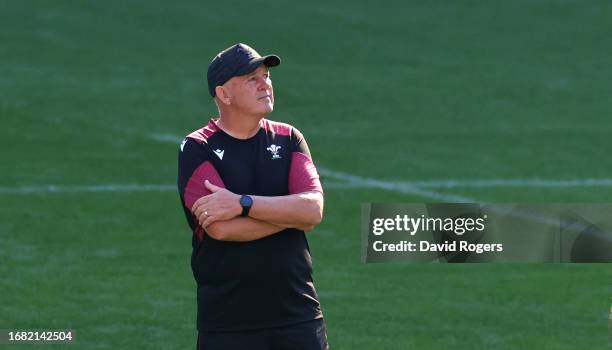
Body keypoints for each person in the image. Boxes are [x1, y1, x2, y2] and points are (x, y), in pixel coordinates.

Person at [177, 43, 329, 350]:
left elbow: (312, 210)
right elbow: (222, 229)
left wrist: (242, 203)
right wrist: (288, 216)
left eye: (266, 75)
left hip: (298, 316)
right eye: (251, 78)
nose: (265, 84)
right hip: (228, 324)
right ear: (224, 94)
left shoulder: (289, 138)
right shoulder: (197, 148)